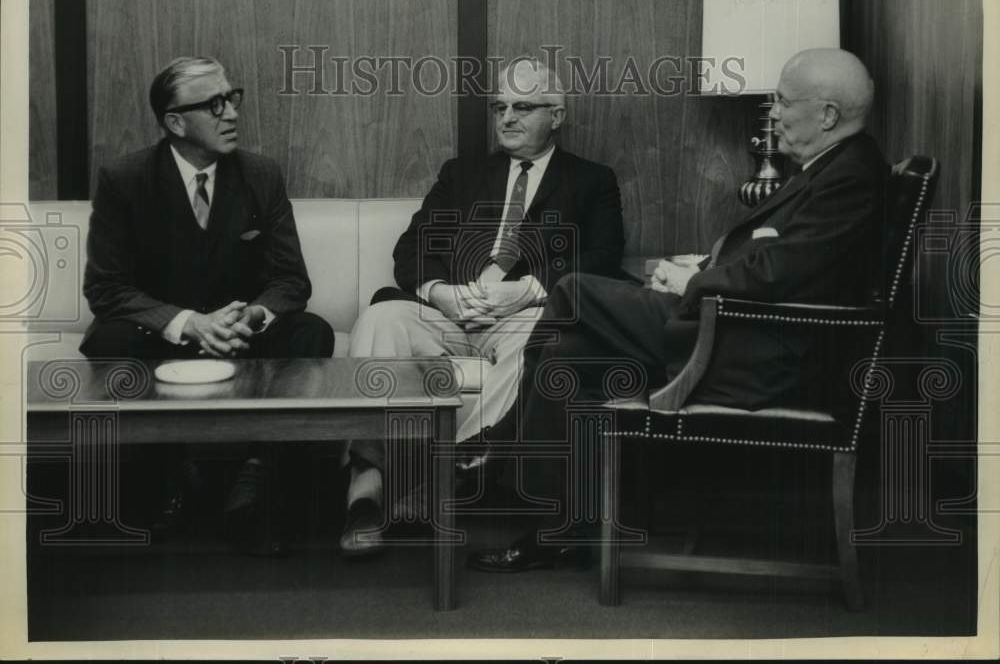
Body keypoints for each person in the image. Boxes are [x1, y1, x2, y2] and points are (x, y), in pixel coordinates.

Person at [468, 48, 889, 572]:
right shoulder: (833, 168)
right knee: (565, 355)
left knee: (574, 290)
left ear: (827, 115)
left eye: (782, 101)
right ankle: (561, 527)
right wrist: (703, 262)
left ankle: (502, 448)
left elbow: (778, 271)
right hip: (740, 333)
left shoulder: (850, 176)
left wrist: (694, 280)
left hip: (755, 355)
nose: (773, 112)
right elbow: (780, 257)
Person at [341, 58, 626, 556]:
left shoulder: (591, 180)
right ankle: (367, 486)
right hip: (449, 314)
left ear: (556, 116)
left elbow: (602, 259)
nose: (507, 118)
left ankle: (447, 475)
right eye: (500, 108)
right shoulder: (463, 173)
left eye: (523, 107)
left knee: (549, 332)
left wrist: (531, 289)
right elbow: (411, 249)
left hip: (520, 315)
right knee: (381, 318)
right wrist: (438, 292)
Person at [81, 56, 334, 548]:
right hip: (163, 337)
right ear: (175, 122)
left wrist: (252, 315)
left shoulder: (261, 174)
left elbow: (290, 280)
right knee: (109, 339)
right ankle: (160, 480)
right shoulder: (125, 179)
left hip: (241, 334)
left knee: (311, 331)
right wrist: (191, 323)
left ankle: (266, 487)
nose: (232, 113)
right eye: (214, 104)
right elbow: (106, 289)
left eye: (231, 98)